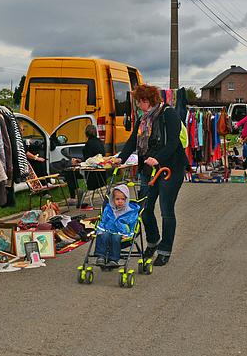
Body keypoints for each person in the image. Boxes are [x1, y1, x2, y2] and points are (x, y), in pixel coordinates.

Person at [112, 84, 188, 267]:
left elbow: (173, 142)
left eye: (139, 102)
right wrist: (120, 159)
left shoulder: (168, 114)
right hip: (148, 169)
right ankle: (153, 241)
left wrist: (157, 158)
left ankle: (165, 250)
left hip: (170, 169)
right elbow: (133, 141)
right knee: (145, 209)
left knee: (166, 210)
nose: (137, 105)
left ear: (146, 100)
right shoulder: (143, 118)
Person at [53, 124, 106, 204]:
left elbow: (88, 161)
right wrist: (81, 160)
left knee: (69, 172)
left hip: (91, 174)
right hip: (101, 174)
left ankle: (74, 195)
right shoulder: (100, 143)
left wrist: (78, 162)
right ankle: (77, 192)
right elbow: (94, 158)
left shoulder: (88, 145)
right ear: (96, 132)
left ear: (86, 134)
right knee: (71, 172)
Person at [95, 184, 140, 268]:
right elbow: (103, 221)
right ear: (113, 199)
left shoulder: (130, 212)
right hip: (108, 230)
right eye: (117, 199)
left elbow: (133, 225)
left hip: (122, 233)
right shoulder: (109, 209)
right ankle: (101, 256)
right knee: (103, 235)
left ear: (127, 199)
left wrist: (130, 234)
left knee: (116, 237)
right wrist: (100, 230)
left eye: (123, 199)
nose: (120, 201)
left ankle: (113, 259)